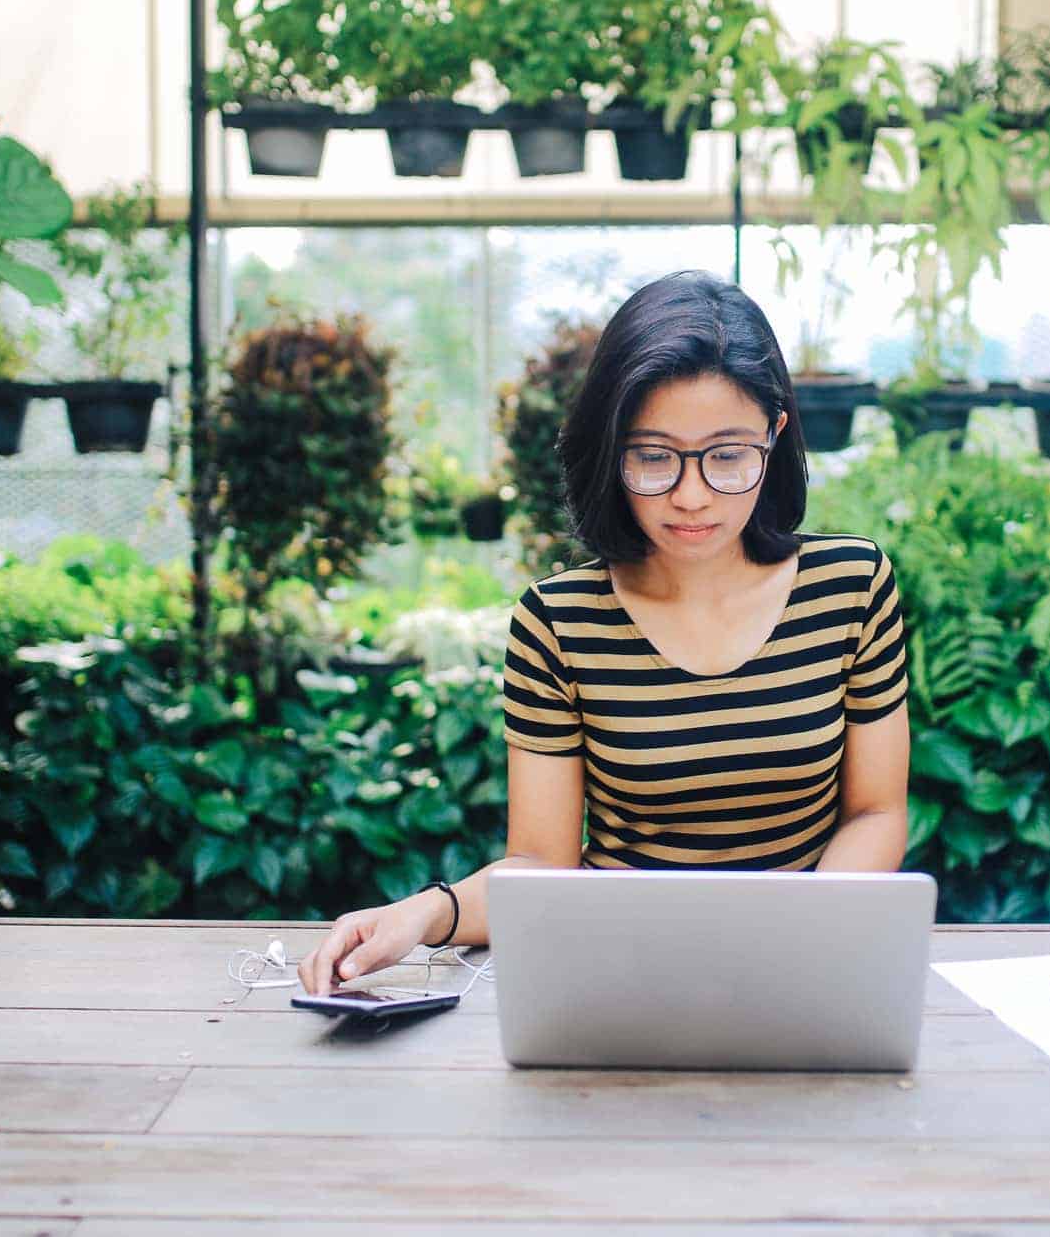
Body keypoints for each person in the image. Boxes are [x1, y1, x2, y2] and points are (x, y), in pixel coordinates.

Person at [299, 269, 910, 995]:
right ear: (611, 448)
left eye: (726, 456)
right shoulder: (556, 622)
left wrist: (799, 930)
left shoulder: (851, 585)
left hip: (807, 968)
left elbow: (876, 811)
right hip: (621, 976)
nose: (690, 495)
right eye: (653, 456)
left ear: (773, 438)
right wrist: (425, 913)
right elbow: (541, 862)